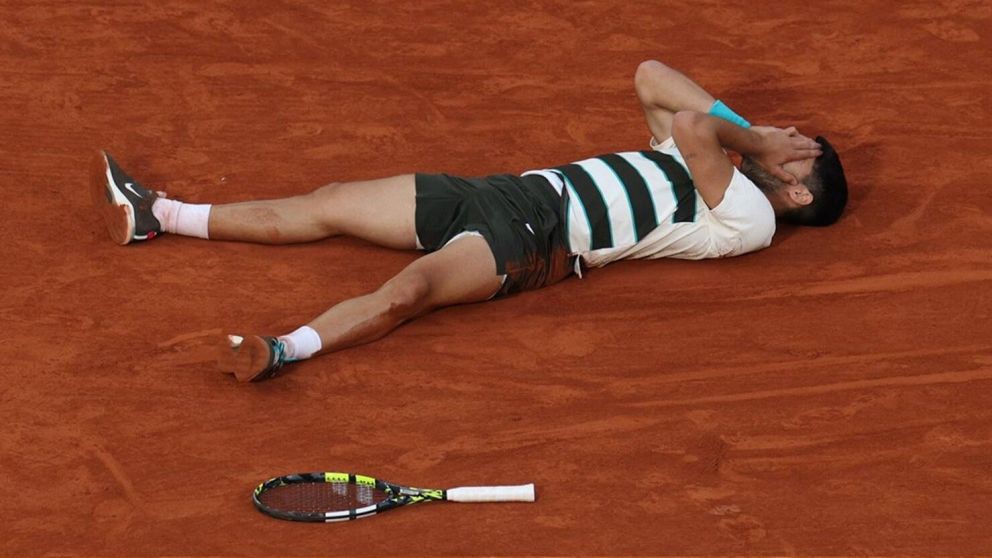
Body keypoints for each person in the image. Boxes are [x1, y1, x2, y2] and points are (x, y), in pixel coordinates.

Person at [92, 60, 847, 382]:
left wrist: (757, 144)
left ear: (799, 194)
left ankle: (282, 350)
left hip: (535, 240)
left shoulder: (750, 216)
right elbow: (651, 76)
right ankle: (160, 216)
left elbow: (691, 122)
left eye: (796, 151)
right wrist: (759, 137)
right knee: (328, 202)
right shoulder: (716, 159)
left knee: (407, 292)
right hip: (499, 194)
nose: (780, 137)